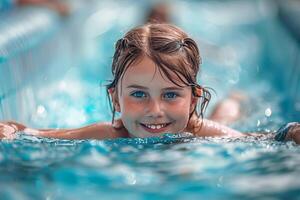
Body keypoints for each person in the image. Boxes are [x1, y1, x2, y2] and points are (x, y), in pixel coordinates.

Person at [0, 23, 299, 143]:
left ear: (193, 99)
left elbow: (257, 140)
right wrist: (12, 129)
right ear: (115, 99)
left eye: (170, 95)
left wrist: (290, 133)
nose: (155, 109)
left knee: (225, 115)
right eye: (139, 94)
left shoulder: (203, 134)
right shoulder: (112, 134)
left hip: (201, 126)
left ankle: (233, 100)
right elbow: (39, 134)